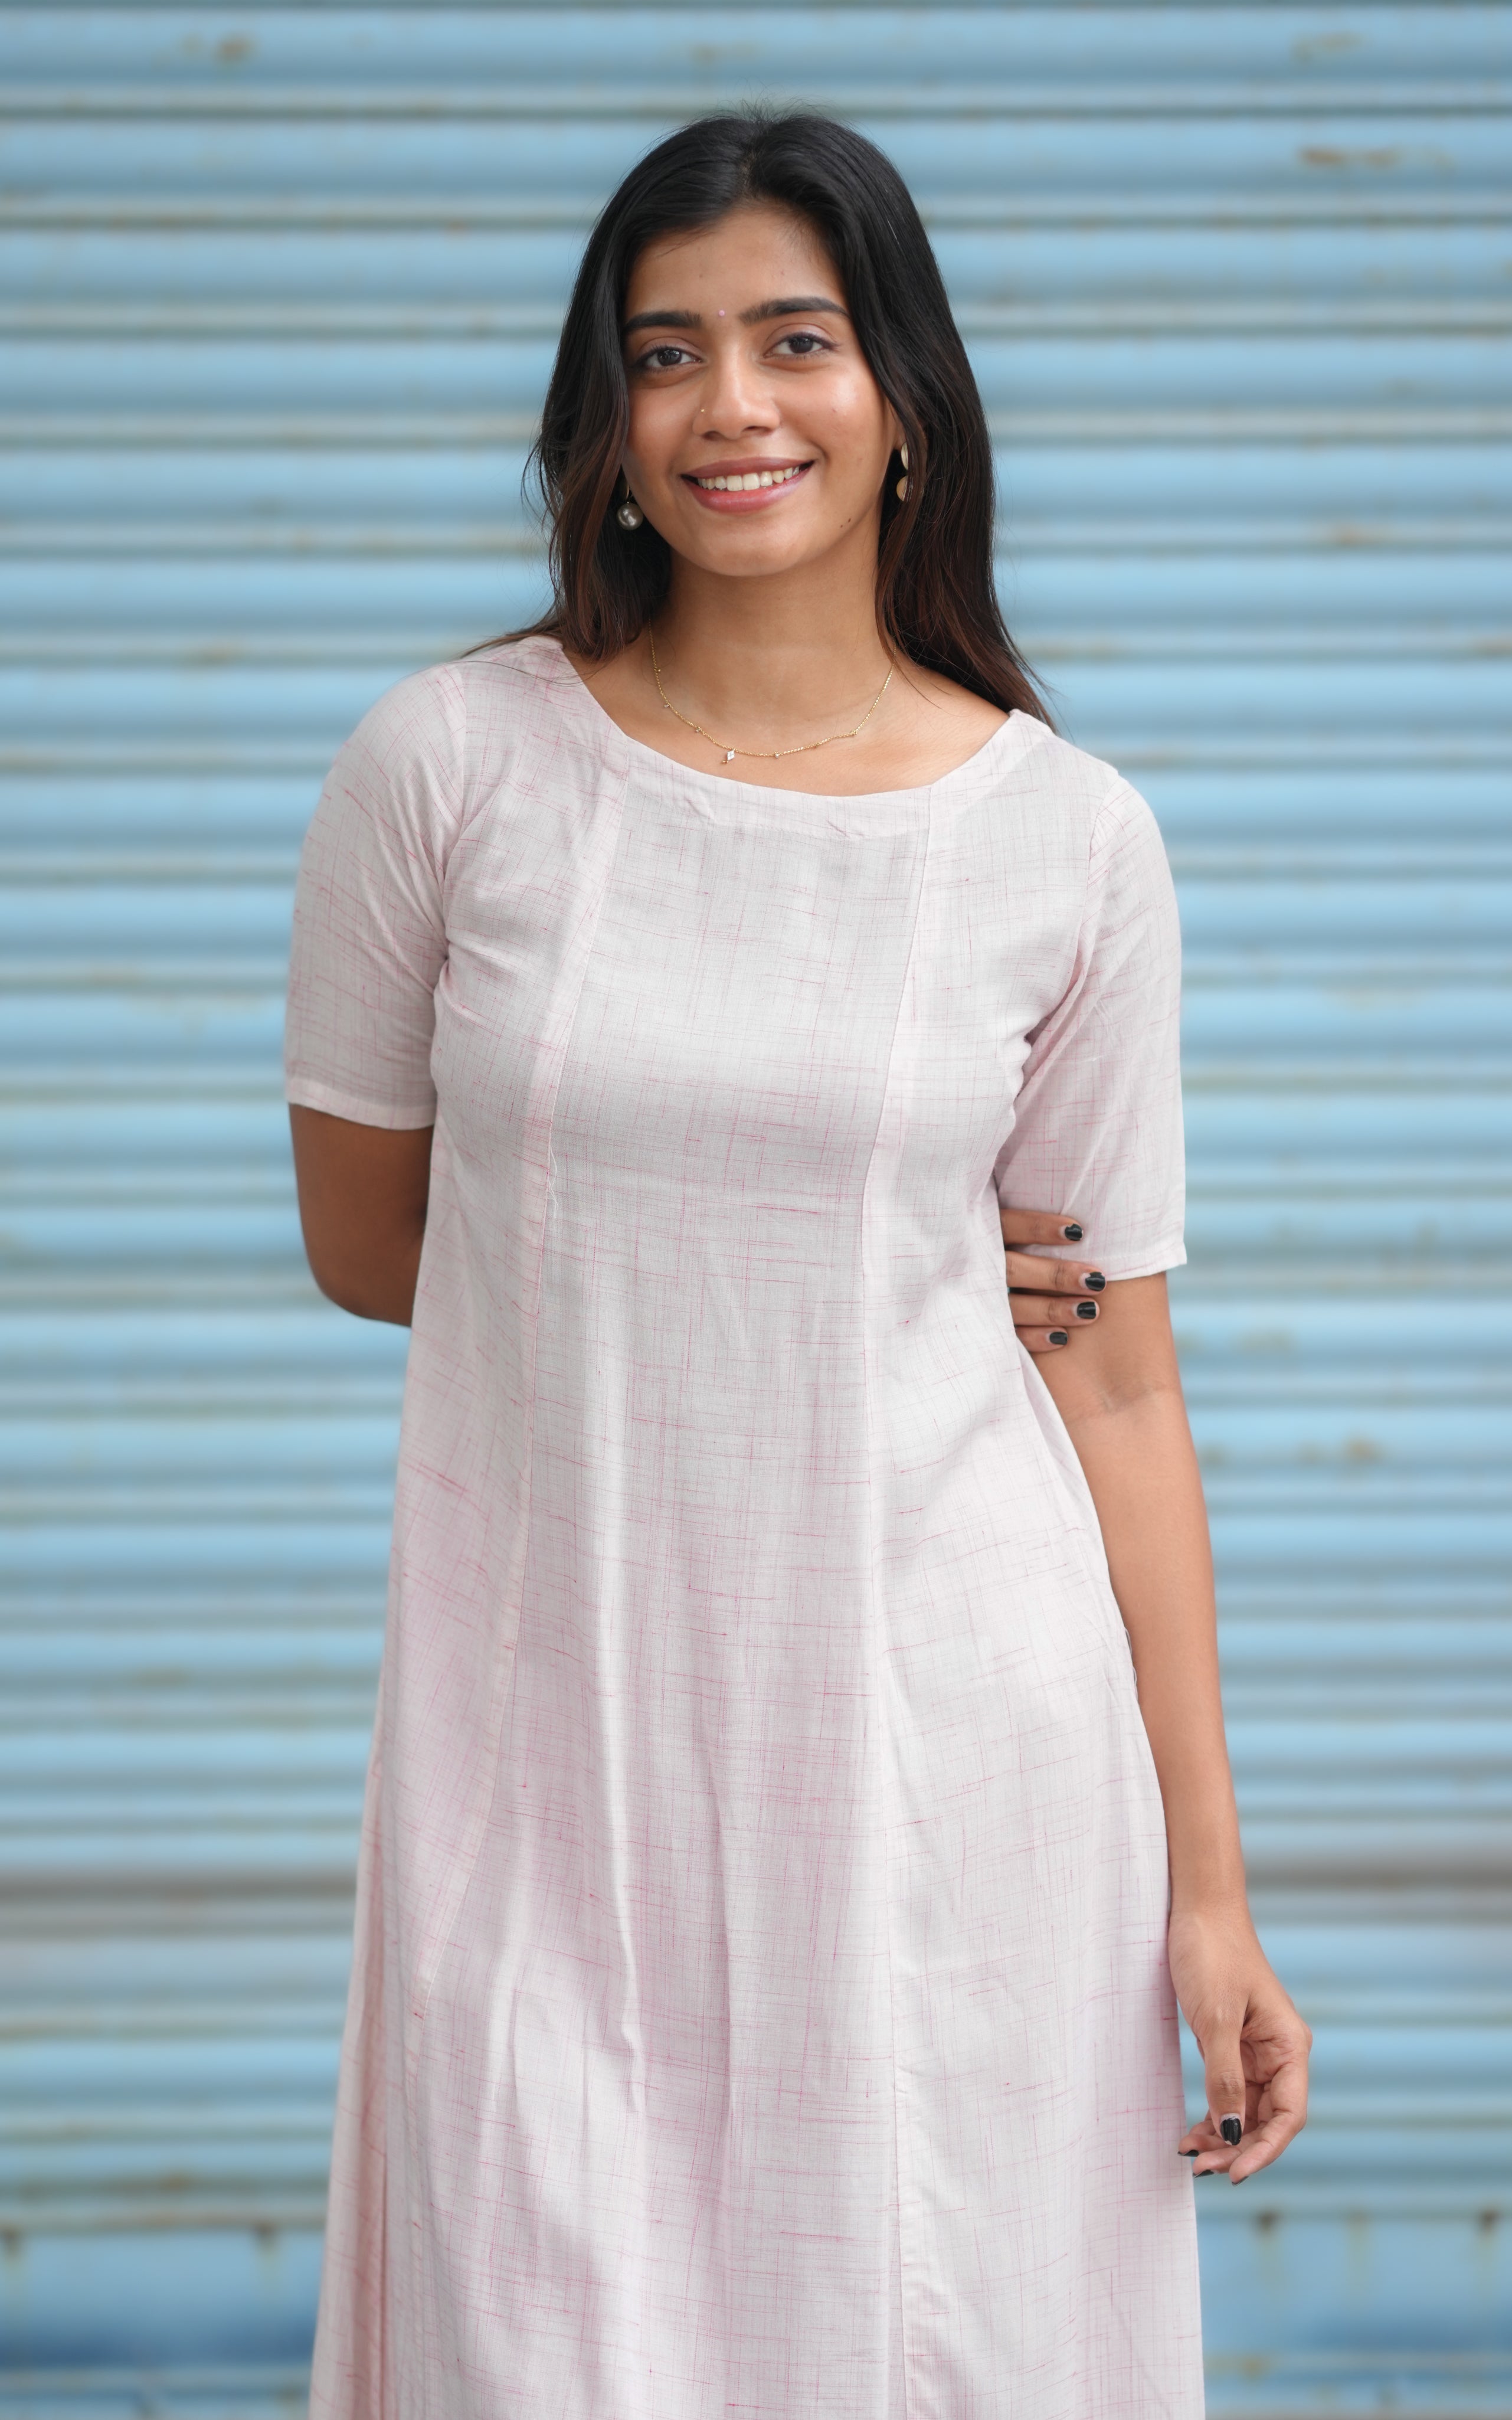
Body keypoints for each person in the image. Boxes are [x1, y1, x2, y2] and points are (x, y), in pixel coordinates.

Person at [284, 109, 1310, 2420]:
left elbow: (1117, 1383)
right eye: (664, 353)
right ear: (606, 427)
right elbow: (370, 1246)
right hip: (547, 1763)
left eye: (793, 339)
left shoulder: (1064, 838)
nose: (730, 402)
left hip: (964, 1755)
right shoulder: (444, 770)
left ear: (905, 407)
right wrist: (775, 1236)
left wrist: (1210, 1891)